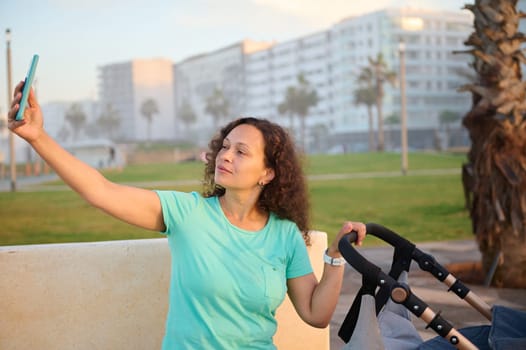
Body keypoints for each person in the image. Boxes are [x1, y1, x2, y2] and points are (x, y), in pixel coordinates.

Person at [8, 82, 366, 349]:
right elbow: (101, 191)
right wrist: (38, 138)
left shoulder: (285, 234)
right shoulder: (187, 213)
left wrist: (335, 257)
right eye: (225, 146)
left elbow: (316, 316)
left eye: (241, 151)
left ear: (267, 173)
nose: (226, 156)